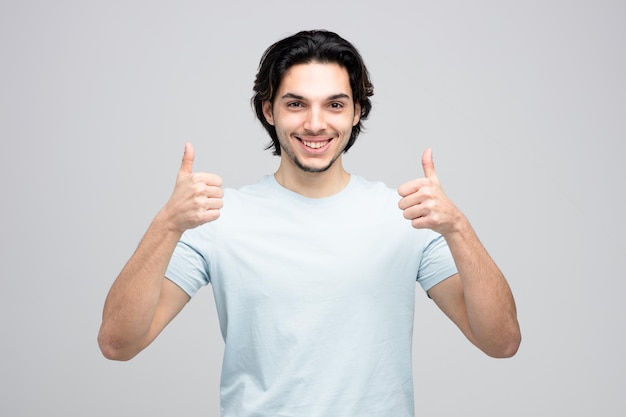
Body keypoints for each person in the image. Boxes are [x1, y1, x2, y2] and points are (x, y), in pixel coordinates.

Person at [98, 30, 521, 416]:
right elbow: (118, 344)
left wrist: (458, 228)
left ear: (357, 112)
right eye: (296, 103)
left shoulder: (405, 216)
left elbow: (501, 342)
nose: (315, 123)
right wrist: (166, 225)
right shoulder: (219, 219)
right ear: (269, 111)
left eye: (334, 104)